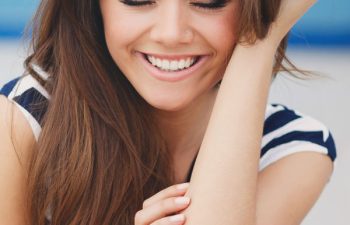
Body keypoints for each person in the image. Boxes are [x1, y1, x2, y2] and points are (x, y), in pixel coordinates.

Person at [0, 0, 337, 224]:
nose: (171, 34)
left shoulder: (293, 149)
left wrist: (262, 36)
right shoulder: (22, 119)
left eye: (208, 0)